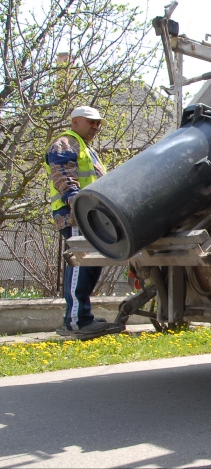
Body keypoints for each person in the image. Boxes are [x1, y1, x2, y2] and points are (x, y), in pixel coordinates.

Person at [45, 106, 121, 339]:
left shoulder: (85, 148)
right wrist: (76, 201)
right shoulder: (66, 143)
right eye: (92, 122)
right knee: (81, 264)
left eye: (98, 123)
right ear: (76, 121)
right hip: (76, 215)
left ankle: (81, 315)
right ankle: (76, 321)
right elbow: (63, 175)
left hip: (90, 215)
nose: (96, 127)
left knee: (90, 264)